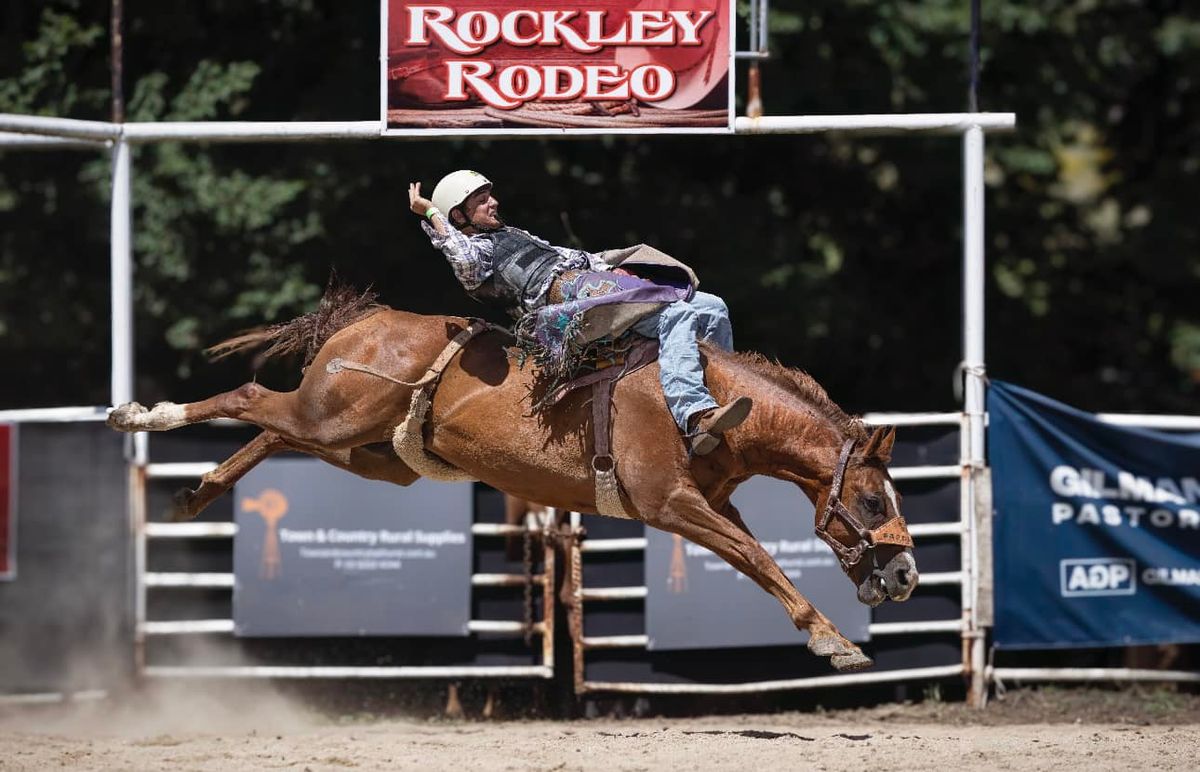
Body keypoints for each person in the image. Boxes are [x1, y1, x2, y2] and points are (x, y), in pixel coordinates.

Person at [408, 169, 751, 456]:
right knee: (678, 316)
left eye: (489, 195)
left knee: (713, 307)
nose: (493, 202)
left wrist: (619, 265)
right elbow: (463, 259)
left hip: (593, 288)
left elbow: (573, 257)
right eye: (480, 200)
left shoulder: (512, 234)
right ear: (458, 215)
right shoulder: (475, 258)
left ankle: (724, 399)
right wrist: (431, 213)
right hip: (566, 315)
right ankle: (693, 416)